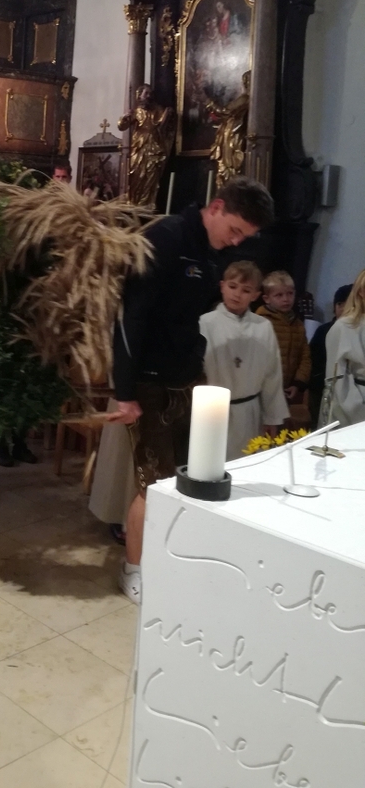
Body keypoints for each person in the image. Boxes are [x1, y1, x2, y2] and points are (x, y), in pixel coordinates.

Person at [107, 177, 274, 603]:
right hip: (148, 380)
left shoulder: (213, 251)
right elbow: (131, 315)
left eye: (244, 236)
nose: (236, 241)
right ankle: (133, 569)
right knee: (154, 483)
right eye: (234, 230)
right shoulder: (167, 237)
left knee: (194, 473)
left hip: (186, 376)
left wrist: (195, 359)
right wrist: (124, 391)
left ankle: (172, 559)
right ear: (216, 207)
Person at [200, 261, 287, 458]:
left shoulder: (263, 327)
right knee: (211, 463)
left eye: (246, 290)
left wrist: (272, 417)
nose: (237, 294)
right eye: (232, 287)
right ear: (222, 286)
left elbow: (272, 374)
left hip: (251, 412)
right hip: (213, 413)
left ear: (255, 295)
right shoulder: (205, 323)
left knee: (248, 464)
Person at [257, 271, 311, 409]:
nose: (286, 299)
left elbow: (305, 356)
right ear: (267, 298)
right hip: (262, 388)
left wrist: (298, 382)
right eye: (279, 295)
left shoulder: (298, 324)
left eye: (290, 293)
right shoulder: (260, 322)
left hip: (287, 389)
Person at [323, 272, 365, 427]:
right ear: (361, 292)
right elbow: (336, 379)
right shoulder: (344, 327)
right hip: (356, 407)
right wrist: (357, 410)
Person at [309, 283, 352, 424]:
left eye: (348, 305)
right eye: (339, 304)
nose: (343, 309)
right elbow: (313, 357)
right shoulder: (324, 330)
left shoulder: (356, 333)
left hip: (347, 392)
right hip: (320, 386)